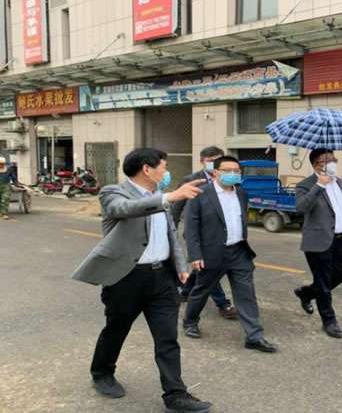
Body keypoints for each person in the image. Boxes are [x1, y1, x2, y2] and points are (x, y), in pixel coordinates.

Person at [72, 148, 212, 413]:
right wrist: (170, 197)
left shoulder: (159, 196)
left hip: (162, 278)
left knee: (167, 338)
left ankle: (175, 395)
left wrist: (180, 266)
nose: (167, 172)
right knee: (116, 329)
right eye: (164, 167)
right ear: (147, 169)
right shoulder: (114, 193)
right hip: (126, 278)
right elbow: (123, 209)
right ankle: (102, 372)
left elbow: (170, 233)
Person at [183, 156, 277, 353]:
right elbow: (191, 227)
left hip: (239, 252)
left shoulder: (241, 193)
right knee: (202, 289)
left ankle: (254, 336)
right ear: (215, 172)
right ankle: (190, 321)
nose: (233, 174)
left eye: (236, 170)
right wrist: (195, 255)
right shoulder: (200, 194)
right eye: (227, 170)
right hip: (212, 253)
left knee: (246, 294)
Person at [293, 149, 342, 339]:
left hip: (339, 239)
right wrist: (319, 185)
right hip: (318, 241)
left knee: (340, 275)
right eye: (326, 160)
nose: (332, 163)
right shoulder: (305, 185)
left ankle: (306, 293)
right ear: (316, 164)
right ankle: (329, 320)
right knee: (322, 282)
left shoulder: (340, 182)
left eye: (333, 159)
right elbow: (301, 207)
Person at [171, 146, 237, 320]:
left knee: (201, 268)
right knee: (208, 269)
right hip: (197, 233)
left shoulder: (228, 180)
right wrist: (171, 231)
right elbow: (176, 207)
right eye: (210, 161)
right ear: (202, 161)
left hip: (219, 234)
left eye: (218, 160)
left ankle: (185, 291)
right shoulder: (190, 180)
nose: (214, 164)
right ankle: (222, 304)